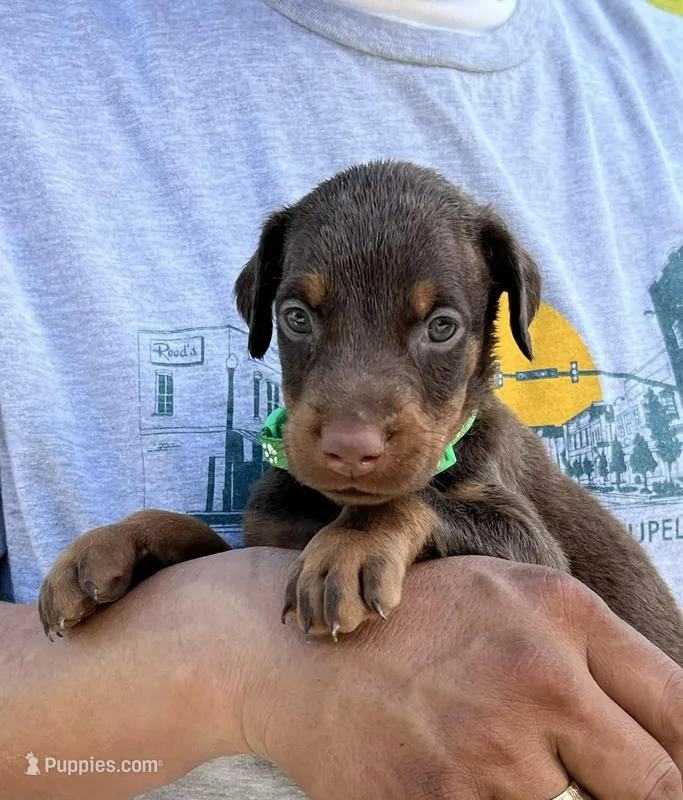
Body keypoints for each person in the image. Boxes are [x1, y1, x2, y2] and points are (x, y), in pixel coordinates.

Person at [1, 0, 682, 798]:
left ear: (498, 325)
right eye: (301, 319)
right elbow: (266, 603)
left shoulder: (661, 70)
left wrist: (402, 516)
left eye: (436, 328)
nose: (355, 429)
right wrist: (173, 567)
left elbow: (536, 566)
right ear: (264, 316)